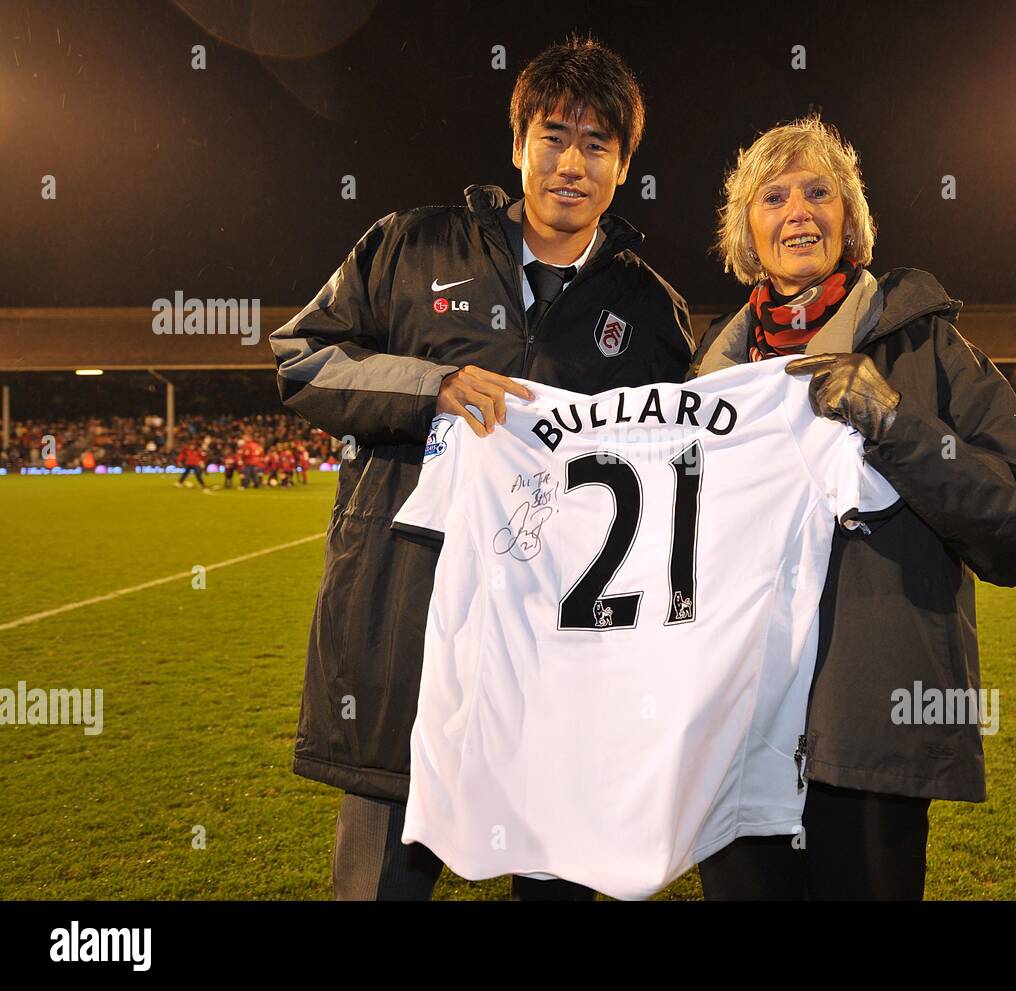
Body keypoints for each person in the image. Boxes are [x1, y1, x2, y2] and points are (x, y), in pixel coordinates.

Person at [270, 34, 693, 902]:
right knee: (379, 885)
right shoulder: (410, 246)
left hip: (562, 656)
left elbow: (680, 476)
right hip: (407, 624)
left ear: (623, 166)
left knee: (559, 881)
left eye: (597, 145)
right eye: (553, 135)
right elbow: (301, 359)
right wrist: (431, 385)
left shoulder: (650, 311)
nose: (571, 162)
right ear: (517, 143)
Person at [690, 115, 1016, 900]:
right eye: (773, 197)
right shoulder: (708, 376)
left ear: (850, 220)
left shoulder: (927, 350)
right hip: (734, 734)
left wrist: (897, 423)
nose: (798, 210)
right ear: (746, 231)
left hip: (867, 738)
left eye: (818, 192)